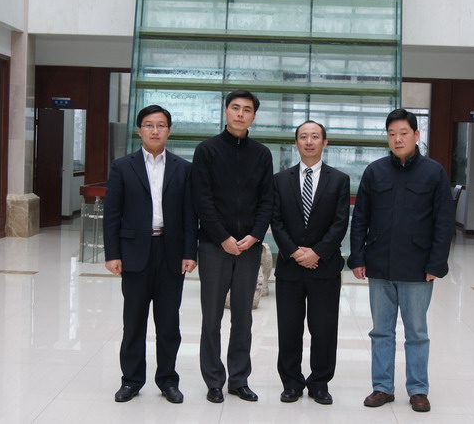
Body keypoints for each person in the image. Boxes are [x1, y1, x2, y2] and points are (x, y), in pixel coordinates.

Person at [348, 108, 454, 413]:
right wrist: (357, 257)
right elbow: (360, 218)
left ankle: (418, 389)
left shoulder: (434, 173)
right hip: (379, 264)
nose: (397, 139)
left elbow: (444, 222)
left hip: (418, 268)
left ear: (416, 135)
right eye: (392, 134)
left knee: (417, 332)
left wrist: (436, 264)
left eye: (404, 133)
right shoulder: (375, 172)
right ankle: (382, 387)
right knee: (381, 331)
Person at [103, 105, 198, 404]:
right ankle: (131, 381)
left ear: (169, 130)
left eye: (160, 125)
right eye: (148, 125)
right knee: (133, 322)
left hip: (171, 253)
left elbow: (190, 214)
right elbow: (112, 214)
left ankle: (168, 381)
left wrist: (190, 252)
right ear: (139, 130)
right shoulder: (122, 166)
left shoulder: (183, 168)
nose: (155, 130)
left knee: (169, 324)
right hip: (134, 253)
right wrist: (112, 253)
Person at [191, 90, 273, 403]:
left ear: (254, 116)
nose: (240, 114)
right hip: (214, 245)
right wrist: (222, 237)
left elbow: (267, 200)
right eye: (235, 108)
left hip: (249, 247)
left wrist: (255, 235)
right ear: (226, 111)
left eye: (247, 109)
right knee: (211, 316)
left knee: (243, 316)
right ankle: (214, 380)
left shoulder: (261, 154)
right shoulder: (207, 150)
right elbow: (202, 199)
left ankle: (239, 379)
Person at [271, 121, 350, 405]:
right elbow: (275, 220)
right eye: (303, 137)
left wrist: (317, 252)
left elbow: (340, 222)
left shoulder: (339, 180)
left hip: (324, 267)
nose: (309, 141)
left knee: (324, 328)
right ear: (296, 143)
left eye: (315, 136)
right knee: (289, 328)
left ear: (324, 142)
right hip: (289, 268)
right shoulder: (280, 180)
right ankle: (291, 383)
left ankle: (319, 383)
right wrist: (295, 252)